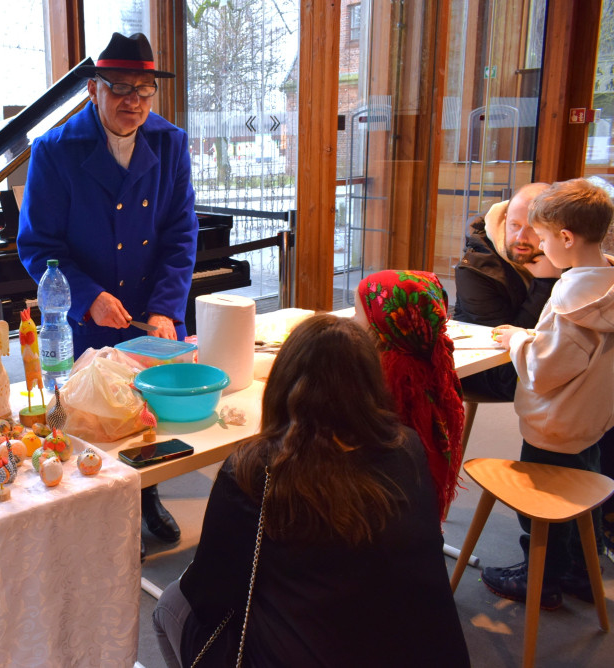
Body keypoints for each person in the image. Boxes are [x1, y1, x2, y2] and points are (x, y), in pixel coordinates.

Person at [152, 315, 469, 667]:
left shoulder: (258, 470)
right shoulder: (407, 446)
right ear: (370, 384)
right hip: (423, 650)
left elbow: (209, 595)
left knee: (171, 603)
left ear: (282, 385)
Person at [17, 32, 198, 554]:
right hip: (89, 316)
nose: (133, 102)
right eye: (121, 88)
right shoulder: (54, 151)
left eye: (145, 90)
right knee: (93, 423)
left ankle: (148, 498)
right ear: (93, 89)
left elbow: (180, 235)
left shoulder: (170, 143)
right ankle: (95, 515)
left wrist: (166, 308)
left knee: (148, 420)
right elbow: (38, 246)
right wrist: (87, 295)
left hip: (151, 311)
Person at [485, 178, 614, 609]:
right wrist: (530, 335)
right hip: (591, 419)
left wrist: (518, 342)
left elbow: (545, 370)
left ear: (565, 237)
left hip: (556, 423)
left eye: (541, 237)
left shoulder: (573, 303)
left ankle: (542, 577)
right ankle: (582, 570)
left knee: (543, 502)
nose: (536, 247)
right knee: (586, 491)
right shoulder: (604, 285)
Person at [353, 269, 465, 520]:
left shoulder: (389, 382)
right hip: (417, 508)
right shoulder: (431, 362)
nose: (352, 320)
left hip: (378, 510)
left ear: (383, 324)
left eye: (358, 314)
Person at [453, 182, 561, 400]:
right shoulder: (476, 268)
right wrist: (546, 283)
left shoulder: (562, 250)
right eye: (514, 225)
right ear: (503, 221)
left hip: (541, 351)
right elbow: (502, 346)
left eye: (532, 227)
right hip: (491, 367)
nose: (520, 237)